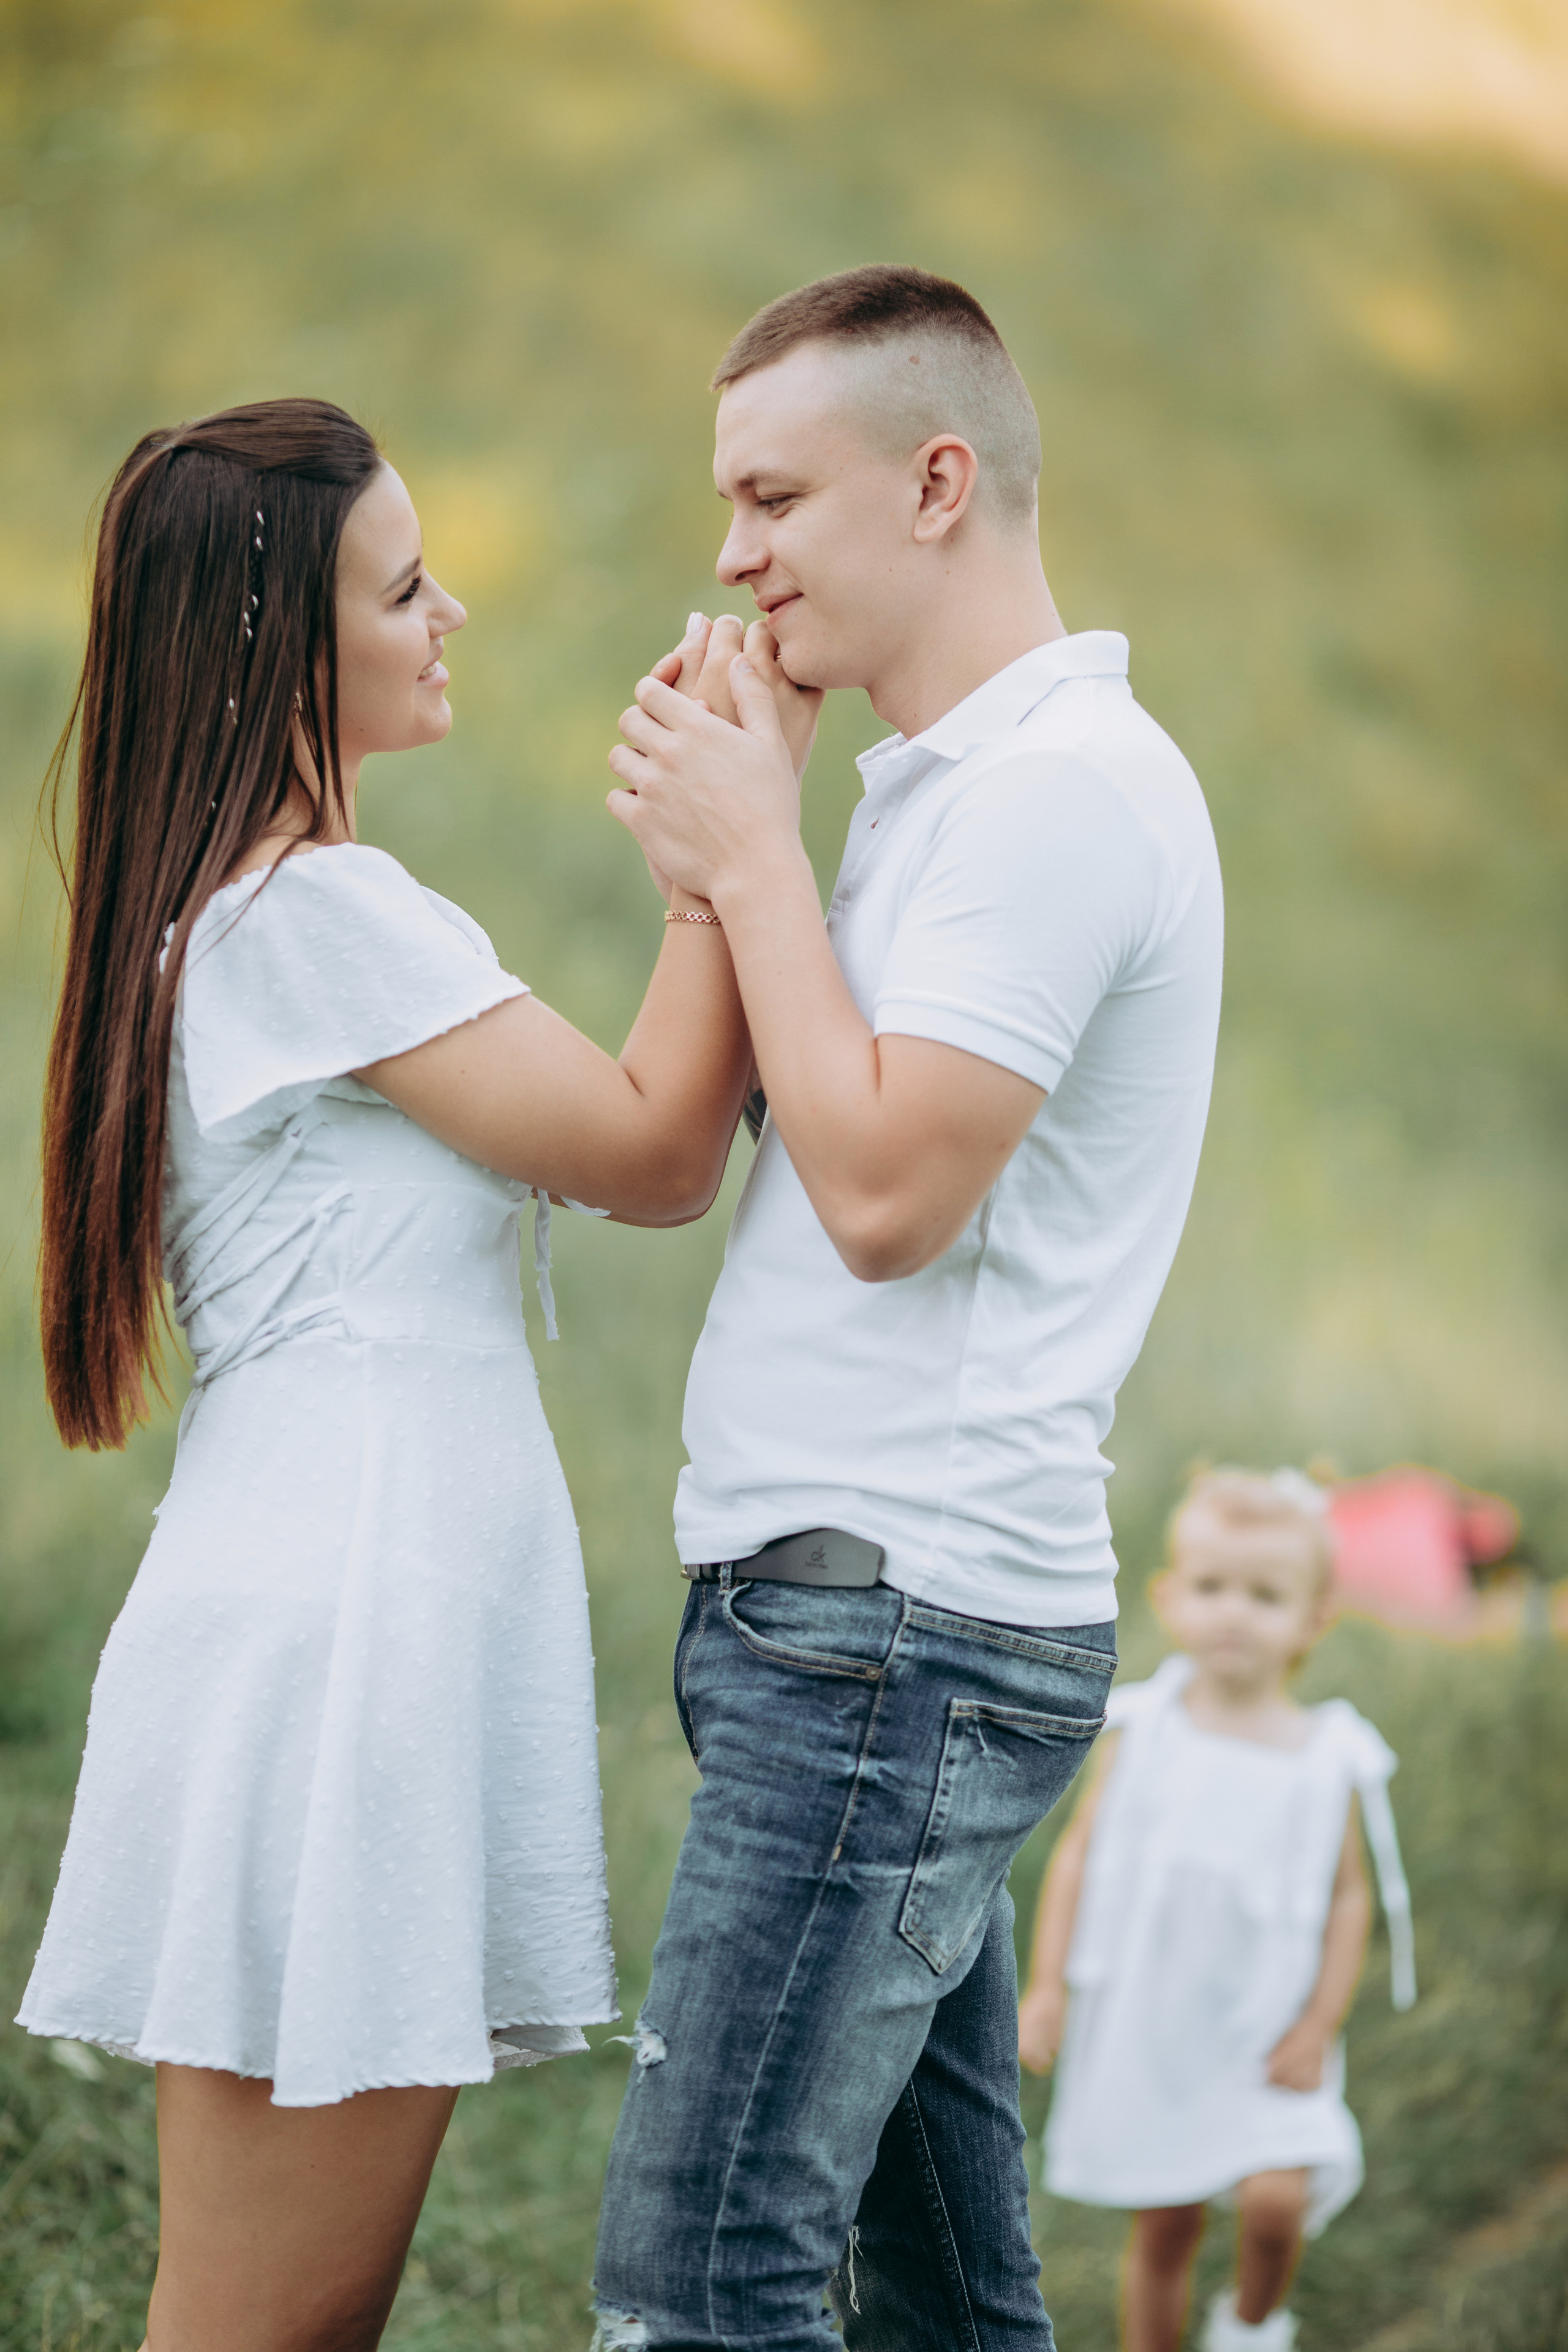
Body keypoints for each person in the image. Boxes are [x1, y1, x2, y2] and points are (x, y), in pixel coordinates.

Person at [17, 398, 813, 2352]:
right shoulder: (316, 917)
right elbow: (650, 1152)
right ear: (289, 637)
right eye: (402, 585)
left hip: (342, 1609)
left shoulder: (260, 914)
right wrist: (734, 839)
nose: (449, 611)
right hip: (346, 1634)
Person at [591, 263, 1226, 2350]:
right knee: (944, 2304)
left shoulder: (1060, 795)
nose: (730, 550)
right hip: (863, 1628)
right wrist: (739, 858)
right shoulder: (942, 795)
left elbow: (878, 1195)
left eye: (774, 495)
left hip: (900, 1638)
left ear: (937, 482)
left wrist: (755, 854)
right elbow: (690, 1157)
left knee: (703, 2281)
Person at [1018, 1469, 1417, 2352]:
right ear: (1169, 1597)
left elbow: (1349, 1899)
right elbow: (1080, 1856)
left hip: (1265, 2021)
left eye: (1265, 1595)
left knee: (1277, 2198)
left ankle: (1252, 2321)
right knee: (1167, 2225)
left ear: (1316, 1617)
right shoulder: (1144, 1726)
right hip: (1156, 2019)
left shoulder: (1328, 1757)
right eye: (1211, 1588)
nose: (1233, 1612)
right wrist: (1047, 1988)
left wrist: (1320, 2020)